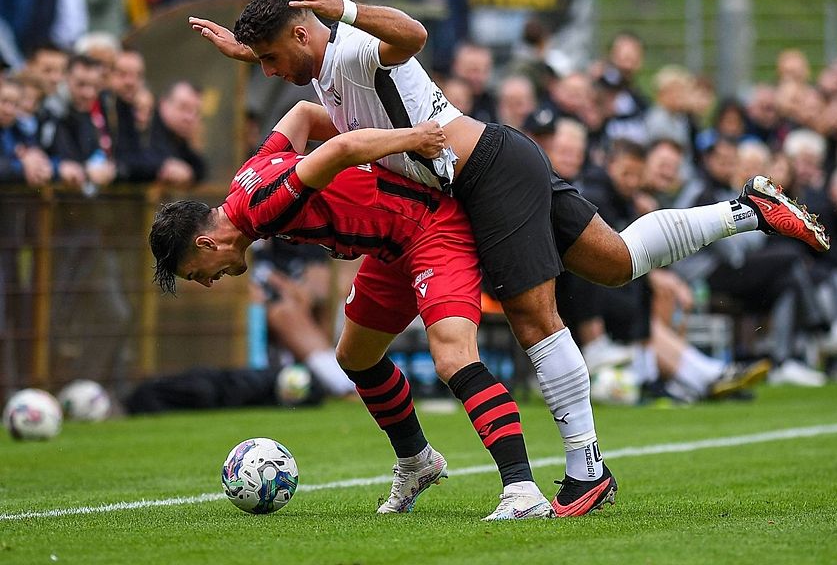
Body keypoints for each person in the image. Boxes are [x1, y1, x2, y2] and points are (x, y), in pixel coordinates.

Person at [188, 0, 830, 515]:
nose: (272, 71)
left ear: (304, 33)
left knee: (534, 318)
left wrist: (345, 9)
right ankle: (749, 210)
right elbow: (310, 86)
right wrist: (253, 52)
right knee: (619, 262)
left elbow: (413, 37)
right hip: (496, 164)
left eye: (272, 58)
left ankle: (587, 474)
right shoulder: (321, 73)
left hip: (485, 174)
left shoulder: (352, 48)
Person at [149, 101, 555, 521]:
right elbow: (304, 112)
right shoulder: (244, 184)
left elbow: (340, 150)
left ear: (205, 244)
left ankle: (523, 489)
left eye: (198, 274)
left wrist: (412, 138)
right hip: (390, 248)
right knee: (355, 355)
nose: (210, 282)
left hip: (431, 229)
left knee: (453, 357)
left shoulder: (261, 205)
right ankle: (417, 462)